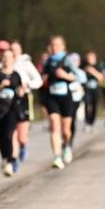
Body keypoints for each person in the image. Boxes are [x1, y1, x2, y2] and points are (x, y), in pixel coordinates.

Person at [0, 49, 25, 176]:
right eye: (4, 57)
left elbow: (21, 88)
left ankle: (9, 162)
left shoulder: (16, 75)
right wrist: (0, 86)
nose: (6, 59)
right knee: (1, 138)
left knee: (9, 135)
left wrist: (21, 91)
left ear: (13, 59)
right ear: (1, 59)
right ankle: (5, 158)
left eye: (9, 57)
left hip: (12, 110)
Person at [43, 36, 78, 169]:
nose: (54, 48)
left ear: (63, 47)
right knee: (54, 125)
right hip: (52, 97)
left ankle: (67, 146)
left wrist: (66, 76)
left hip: (66, 97)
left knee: (65, 129)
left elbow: (79, 76)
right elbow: (42, 77)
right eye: (52, 45)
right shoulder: (47, 61)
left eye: (57, 45)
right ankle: (57, 157)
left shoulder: (67, 60)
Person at [10, 40, 42, 160]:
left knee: (21, 136)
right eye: (11, 50)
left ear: (20, 51)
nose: (13, 53)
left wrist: (27, 85)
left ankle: (23, 146)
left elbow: (38, 80)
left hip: (24, 99)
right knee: (11, 132)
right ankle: (13, 159)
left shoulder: (25, 63)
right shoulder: (5, 62)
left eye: (15, 50)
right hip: (9, 100)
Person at [83, 51, 103, 132]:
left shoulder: (98, 66)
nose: (89, 59)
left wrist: (92, 71)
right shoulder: (84, 66)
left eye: (91, 58)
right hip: (87, 89)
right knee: (87, 105)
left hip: (95, 89)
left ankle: (92, 122)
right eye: (88, 58)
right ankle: (87, 122)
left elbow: (101, 77)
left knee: (94, 106)